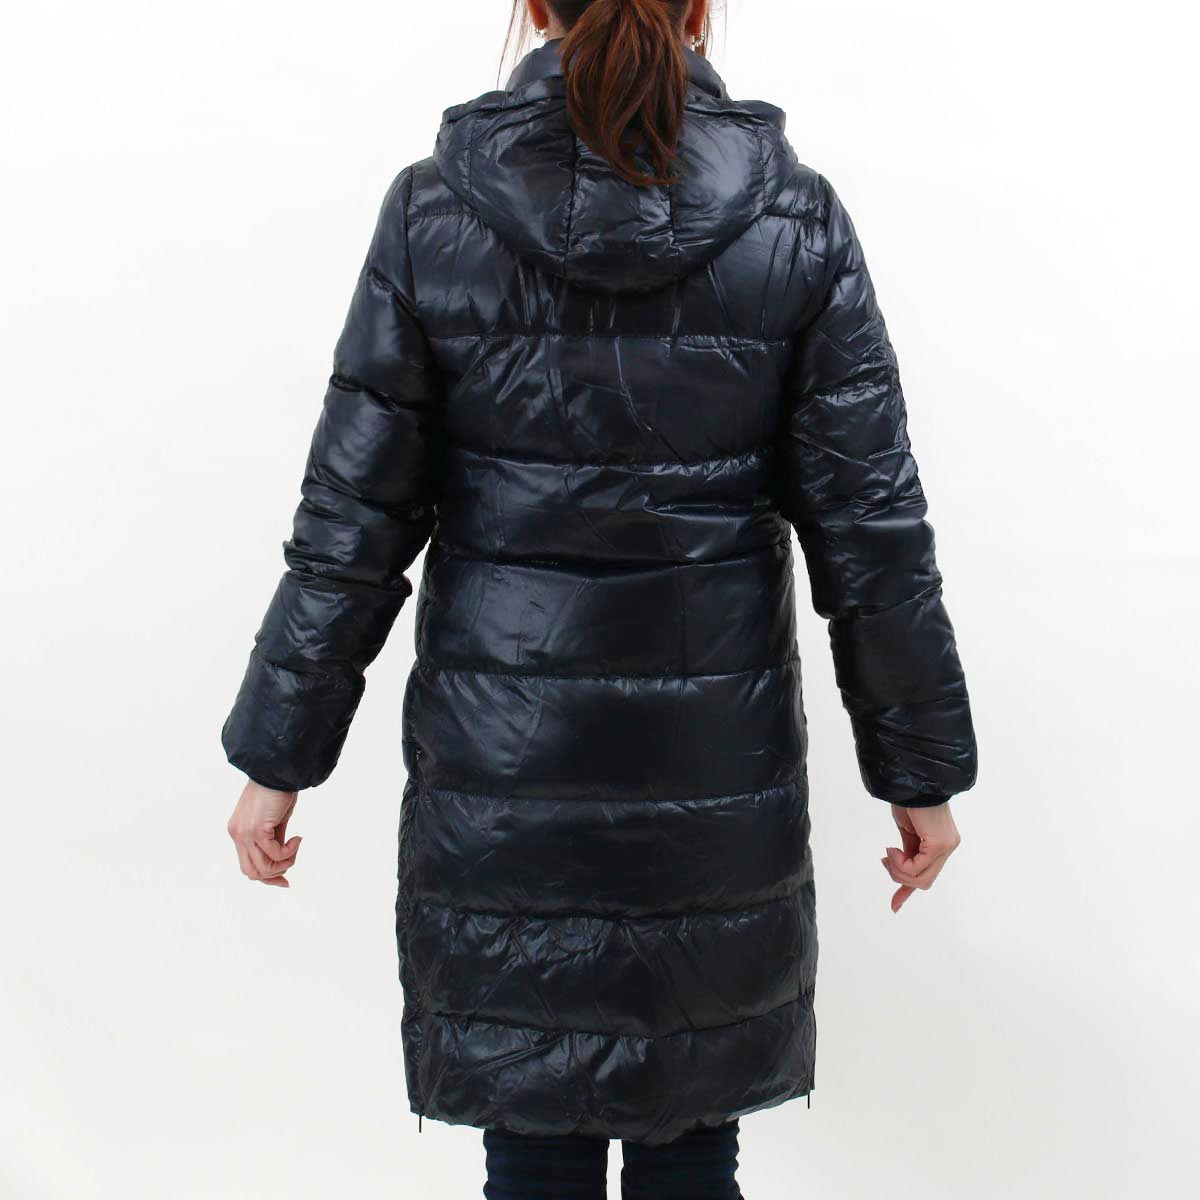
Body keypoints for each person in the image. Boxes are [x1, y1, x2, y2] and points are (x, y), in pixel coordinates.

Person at [221, 0, 979, 1195]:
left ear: (536, 7)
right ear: (698, 9)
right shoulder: (794, 220)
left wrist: (279, 757)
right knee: (693, 1147)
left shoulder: (433, 213)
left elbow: (352, 524)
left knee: (532, 1140)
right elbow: (870, 531)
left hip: (503, 775)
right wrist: (920, 772)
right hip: (712, 773)